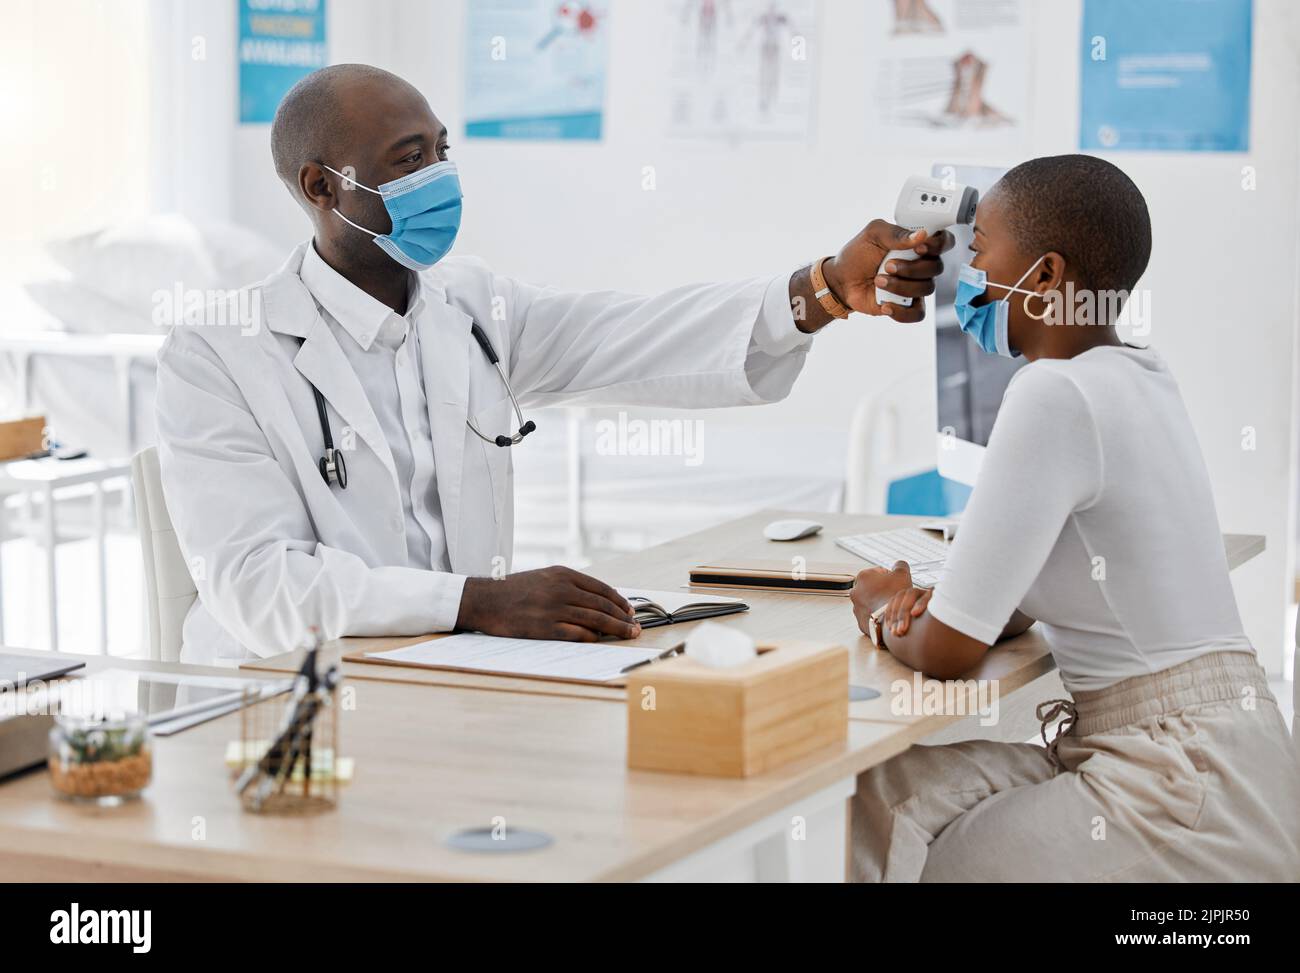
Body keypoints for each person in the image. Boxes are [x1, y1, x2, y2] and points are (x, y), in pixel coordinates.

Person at [155, 64, 953, 664]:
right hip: (285, 693)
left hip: (454, 663)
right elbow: (258, 585)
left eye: (442, 150)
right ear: (321, 187)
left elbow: (631, 332)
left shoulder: (470, 308)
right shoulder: (218, 354)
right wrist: (477, 601)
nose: (440, 176)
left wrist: (822, 291)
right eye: (408, 159)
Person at [849, 154, 1300, 882]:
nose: (969, 272)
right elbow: (1013, 604)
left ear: (1047, 276)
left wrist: (878, 606)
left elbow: (947, 652)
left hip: (1174, 782)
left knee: (916, 839)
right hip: (1213, 752)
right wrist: (953, 602)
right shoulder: (1141, 377)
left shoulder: (1050, 392)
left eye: (983, 251)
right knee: (886, 789)